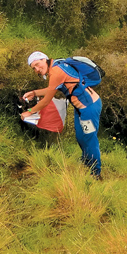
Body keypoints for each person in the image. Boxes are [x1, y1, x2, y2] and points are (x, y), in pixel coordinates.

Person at [22, 51, 102, 179]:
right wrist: (34, 93)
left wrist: (29, 112)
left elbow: (47, 100)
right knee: (81, 137)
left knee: (89, 139)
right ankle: (87, 165)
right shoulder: (56, 66)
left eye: (37, 64)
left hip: (89, 108)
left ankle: (95, 174)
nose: (37, 69)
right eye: (33, 68)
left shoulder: (56, 71)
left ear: (44, 59)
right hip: (80, 108)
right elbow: (53, 89)